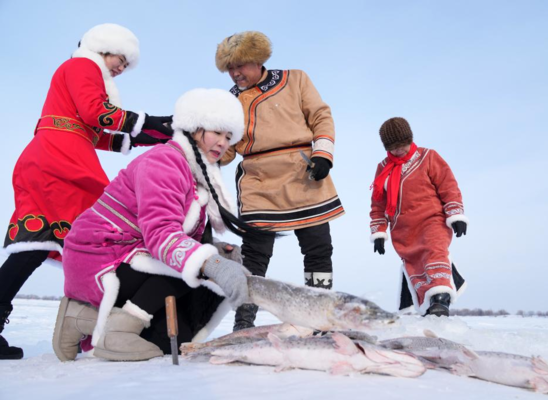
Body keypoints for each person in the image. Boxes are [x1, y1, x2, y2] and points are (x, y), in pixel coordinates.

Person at [53, 88, 274, 362]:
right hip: (101, 255)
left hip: (136, 258)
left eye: (229, 137)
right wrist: (214, 264)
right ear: (195, 128)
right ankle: (121, 328)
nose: (223, 143)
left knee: (172, 340)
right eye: (217, 132)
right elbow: (161, 235)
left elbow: (175, 235)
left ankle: (81, 317)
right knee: (200, 263)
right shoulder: (164, 161)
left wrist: (218, 252)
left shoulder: (195, 177)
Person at [0, 23, 174, 360]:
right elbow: (98, 113)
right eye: (120, 58)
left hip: (60, 155)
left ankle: (95, 323)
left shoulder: (76, 79)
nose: (122, 68)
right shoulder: (82, 66)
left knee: (35, 248)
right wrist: (154, 120)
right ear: (101, 47)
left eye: (127, 64)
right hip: (59, 162)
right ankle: (109, 324)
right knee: (104, 236)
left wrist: (156, 133)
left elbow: (96, 134)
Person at [215, 31, 345, 331]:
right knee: (255, 255)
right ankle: (244, 321)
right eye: (230, 68)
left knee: (318, 248)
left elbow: (321, 116)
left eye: (241, 65)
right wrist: (202, 146)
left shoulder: (296, 79)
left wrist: (323, 154)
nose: (235, 73)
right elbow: (227, 151)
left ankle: (321, 316)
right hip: (258, 181)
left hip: (304, 173)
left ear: (258, 60)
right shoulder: (229, 102)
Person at [370, 117, 468, 317]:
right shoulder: (383, 168)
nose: (399, 151)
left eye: (403, 145)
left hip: (433, 220)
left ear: (410, 139)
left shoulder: (428, 157)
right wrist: (379, 232)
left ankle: (440, 299)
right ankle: (428, 306)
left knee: (435, 250)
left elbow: (448, 186)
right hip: (403, 230)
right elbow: (378, 204)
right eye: (394, 148)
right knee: (415, 264)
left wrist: (455, 213)